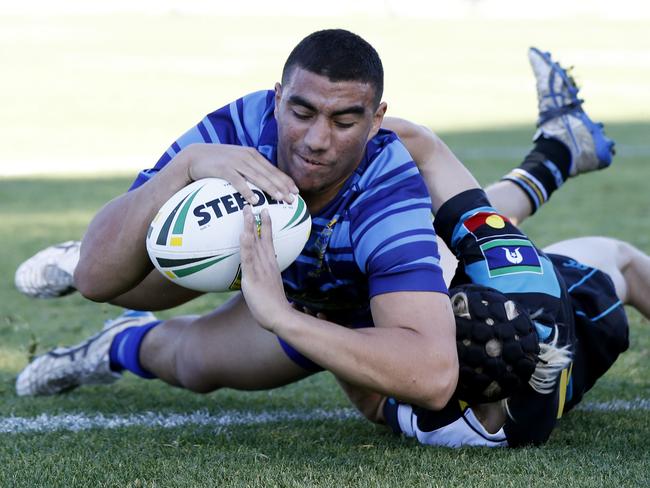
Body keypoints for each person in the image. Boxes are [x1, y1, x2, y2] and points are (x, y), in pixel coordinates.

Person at [15, 39, 615, 431]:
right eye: (301, 113)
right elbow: (100, 277)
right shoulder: (239, 127)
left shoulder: (390, 193)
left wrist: (283, 317)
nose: (316, 139)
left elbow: (431, 376)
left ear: (375, 120)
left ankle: (109, 348)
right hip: (261, 252)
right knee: (131, 279)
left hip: (346, 306)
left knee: (193, 362)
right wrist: (184, 167)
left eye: (346, 121)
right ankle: (559, 153)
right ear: (276, 99)